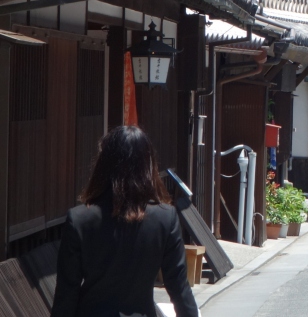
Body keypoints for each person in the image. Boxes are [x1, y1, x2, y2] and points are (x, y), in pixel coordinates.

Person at [51, 125, 198, 317]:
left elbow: (66, 294)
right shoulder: (165, 219)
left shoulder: (79, 220)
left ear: (103, 165)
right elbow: (179, 289)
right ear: (148, 165)